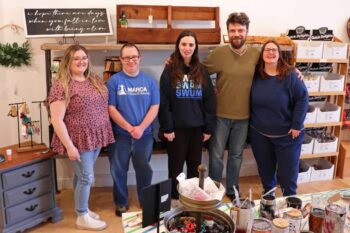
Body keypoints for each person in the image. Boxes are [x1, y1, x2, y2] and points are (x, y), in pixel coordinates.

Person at [49, 44, 114, 231]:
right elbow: (57, 120)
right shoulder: (61, 86)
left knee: (81, 176)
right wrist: (69, 147)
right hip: (78, 139)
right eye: (76, 58)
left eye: (84, 57)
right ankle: (82, 216)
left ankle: (82, 210)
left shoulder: (92, 79)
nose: (81, 61)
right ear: (68, 62)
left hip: (95, 137)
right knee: (86, 177)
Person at [204, 12, 260, 200]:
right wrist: (210, 90)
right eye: (233, 30)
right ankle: (213, 191)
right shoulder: (218, 54)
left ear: (247, 32)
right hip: (220, 115)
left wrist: (294, 72)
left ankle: (231, 190)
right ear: (228, 32)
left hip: (244, 117)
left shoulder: (256, 54)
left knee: (236, 156)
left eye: (240, 30)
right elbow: (199, 73)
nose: (236, 34)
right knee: (216, 155)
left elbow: (273, 69)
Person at [158, 30, 216, 201]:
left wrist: (208, 128)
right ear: (178, 46)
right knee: (175, 169)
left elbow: (209, 101)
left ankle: (191, 200)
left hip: (196, 130)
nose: (187, 48)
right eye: (184, 44)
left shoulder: (202, 70)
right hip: (176, 130)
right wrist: (167, 127)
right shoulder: (169, 70)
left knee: (194, 169)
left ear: (195, 47)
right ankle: (175, 200)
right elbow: (164, 101)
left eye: (191, 44)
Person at [249, 40, 308, 196]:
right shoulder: (255, 74)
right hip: (260, 134)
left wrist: (297, 124)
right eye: (267, 50)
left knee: (288, 174)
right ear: (262, 54)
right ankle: (268, 199)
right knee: (265, 170)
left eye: (274, 50)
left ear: (279, 54)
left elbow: (302, 98)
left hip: (287, 135)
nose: (270, 53)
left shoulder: (291, 75)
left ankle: (290, 204)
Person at [107, 43, 160, 217]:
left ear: (139, 58)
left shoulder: (149, 81)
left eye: (134, 57)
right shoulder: (114, 82)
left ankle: (145, 201)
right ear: (121, 59)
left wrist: (141, 128)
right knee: (118, 169)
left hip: (144, 135)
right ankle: (121, 202)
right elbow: (111, 108)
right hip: (120, 135)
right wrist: (130, 128)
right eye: (127, 57)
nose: (131, 60)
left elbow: (155, 106)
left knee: (144, 169)